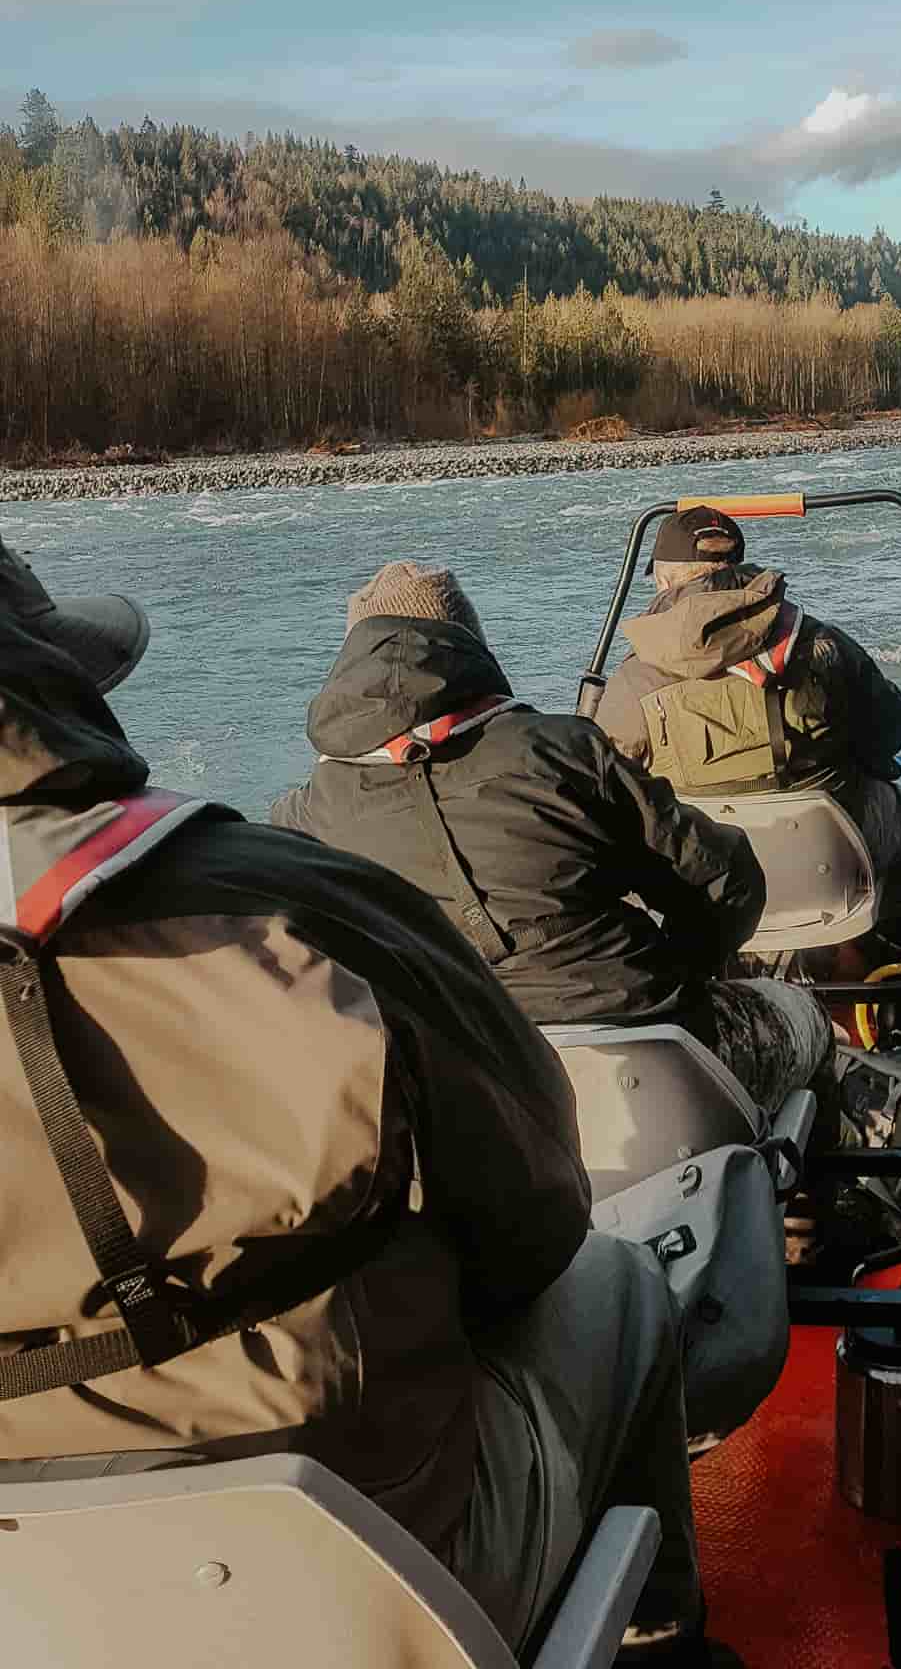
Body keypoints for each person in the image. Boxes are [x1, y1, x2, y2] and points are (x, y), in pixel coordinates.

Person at [0, 540, 712, 1664]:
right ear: (56, 687)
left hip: (37, 1602)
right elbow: (536, 1216)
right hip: (366, 1550)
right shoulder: (286, 892)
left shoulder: (306, 817)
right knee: (616, 1282)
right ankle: (662, 1641)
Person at [271, 561, 834, 1120]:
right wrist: (687, 968)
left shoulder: (306, 813)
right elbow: (725, 880)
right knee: (806, 1016)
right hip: (647, 1049)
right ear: (467, 646)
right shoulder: (560, 750)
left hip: (458, 1088)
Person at [594, 507, 901, 956]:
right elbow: (890, 729)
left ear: (664, 581)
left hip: (703, 869)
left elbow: (605, 784)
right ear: (739, 567)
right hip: (828, 858)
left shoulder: (633, 678)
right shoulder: (820, 643)